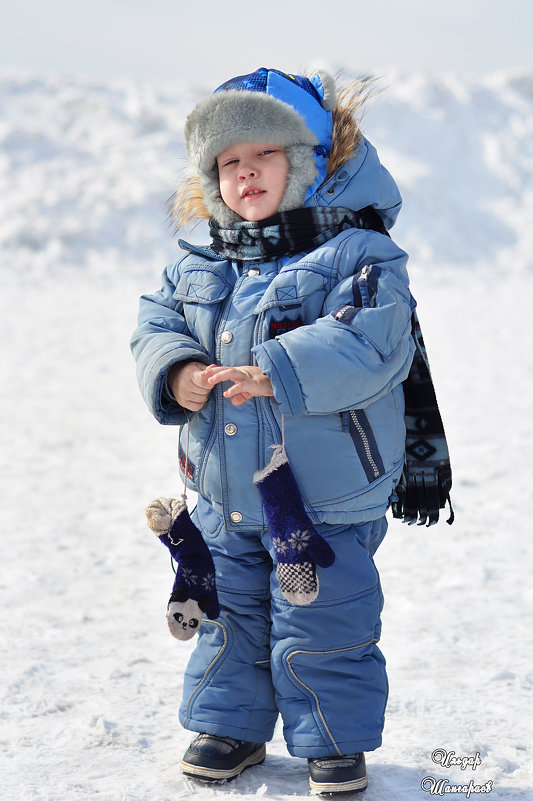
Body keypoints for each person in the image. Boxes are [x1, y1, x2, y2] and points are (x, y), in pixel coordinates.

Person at [131, 67, 416, 796]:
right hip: (221, 487)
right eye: (227, 161)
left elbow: (373, 340)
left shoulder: (358, 254)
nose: (244, 170)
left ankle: (331, 739)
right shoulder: (198, 263)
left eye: (264, 153)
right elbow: (154, 324)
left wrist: (278, 367)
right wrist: (177, 369)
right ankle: (229, 725)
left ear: (311, 163)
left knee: (322, 618)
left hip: (322, 491)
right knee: (226, 613)